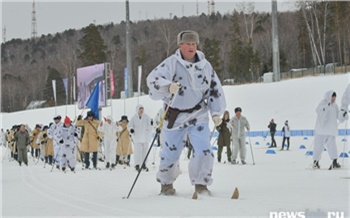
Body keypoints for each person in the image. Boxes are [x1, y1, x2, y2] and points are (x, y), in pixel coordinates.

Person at [147, 30, 226, 195]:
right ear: (180, 45)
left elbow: (214, 89)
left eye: (193, 44)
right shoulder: (171, 63)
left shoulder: (205, 66)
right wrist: (168, 86)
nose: (191, 47)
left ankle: (201, 184)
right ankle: (166, 183)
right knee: (170, 152)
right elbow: (153, 80)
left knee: (204, 148)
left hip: (198, 113)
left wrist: (216, 112)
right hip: (174, 115)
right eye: (187, 44)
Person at [312, 91, 341, 169]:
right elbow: (318, 110)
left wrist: (343, 114)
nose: (333, 99)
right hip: (321, 130)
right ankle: (315, 162)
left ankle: (334, 161)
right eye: (332, 98)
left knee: (332, 146)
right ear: (329, 96)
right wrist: (326, 107)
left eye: (334, 98)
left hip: (330, 131)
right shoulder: (323, 103)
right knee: (318, 146)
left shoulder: (335, 106)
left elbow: (338, 115)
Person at [129, 104, 153, 171]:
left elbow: (151, 126)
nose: (141, 110)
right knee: (137, 152)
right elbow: (130, 126)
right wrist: (131, 130)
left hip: (145, 138)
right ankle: (137, 164)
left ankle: (144, 164)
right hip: (137, 138)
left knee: (145, 152)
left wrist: (151, 124)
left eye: (142, 108)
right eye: (140, 109)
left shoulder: (147, 117)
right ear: (137, 109)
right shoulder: (134, 118)